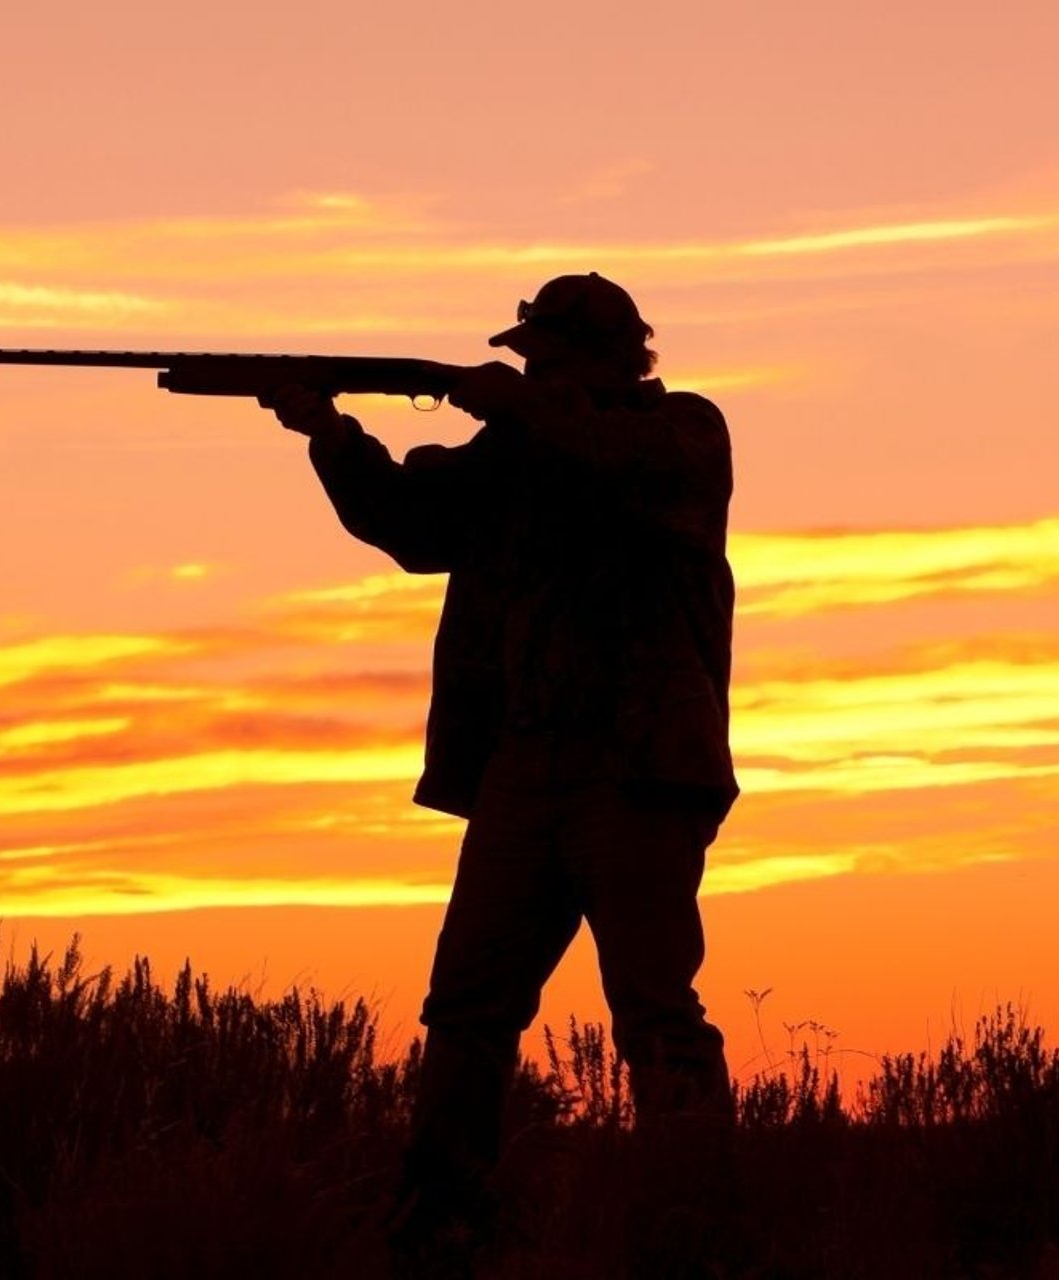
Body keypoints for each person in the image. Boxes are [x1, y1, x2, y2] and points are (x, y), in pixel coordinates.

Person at [263, 273, 739, 1265]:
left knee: (655, 1007)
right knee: (467, 1008)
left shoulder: (684, 433)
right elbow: (412, 525)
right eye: (529, 355)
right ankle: (440, 1217)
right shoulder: (516, 450)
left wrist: (506, 398)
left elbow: (614, 457)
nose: (536, 367)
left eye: (552, 353)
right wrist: (328, 431)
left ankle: (695, 1218)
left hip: (639, 760)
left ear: (616, 356)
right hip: (525, 765)